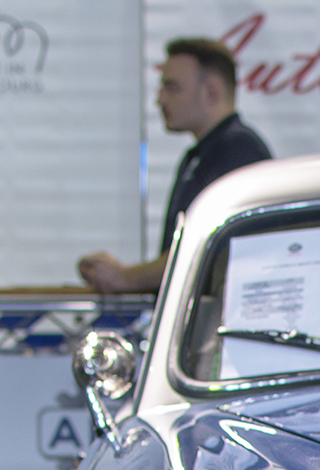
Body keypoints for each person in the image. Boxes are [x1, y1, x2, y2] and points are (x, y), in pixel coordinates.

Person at [78, 39, 271, 295]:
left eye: (172, 87)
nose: (159, 99)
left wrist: (126, 277)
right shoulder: (206, 153)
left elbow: (200, 251)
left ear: (211, 91)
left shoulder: (236, 150)